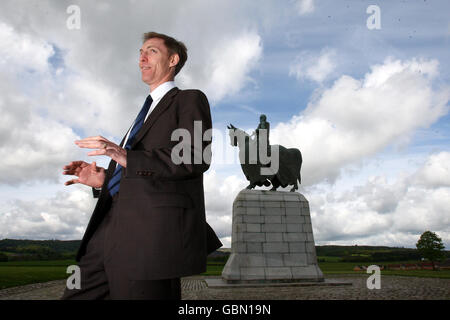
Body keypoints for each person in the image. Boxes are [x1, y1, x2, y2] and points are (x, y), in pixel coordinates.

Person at [61, 32, 222, 300]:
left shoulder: (190, 99)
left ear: (173, 59)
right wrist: (105, 180)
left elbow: (194, 156)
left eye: (151, 51)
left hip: (151, 234)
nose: (141, 58)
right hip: (108, 227)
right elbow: (141, 171)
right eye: (140, 52)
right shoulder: (143, 113)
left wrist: (126, 157)